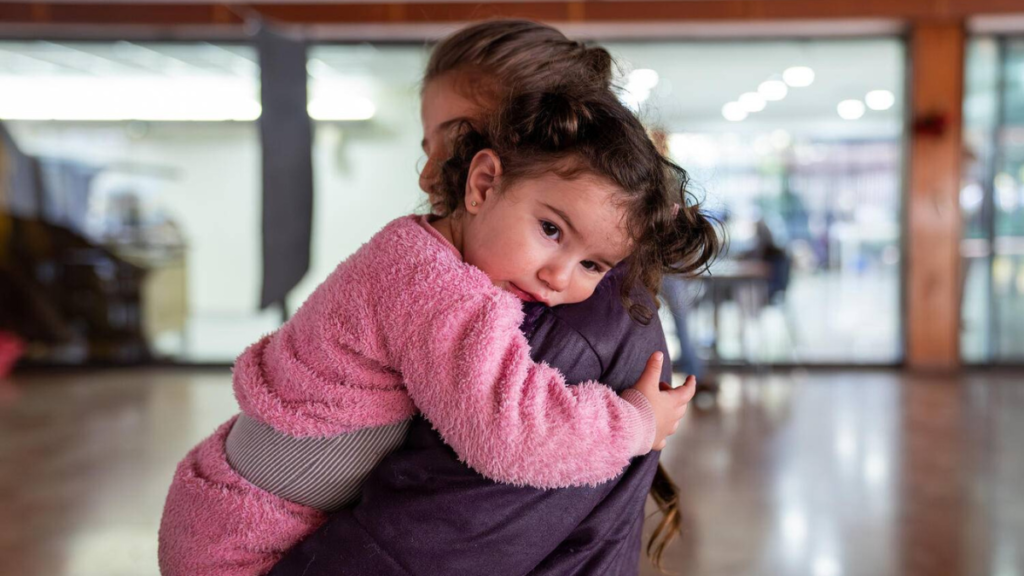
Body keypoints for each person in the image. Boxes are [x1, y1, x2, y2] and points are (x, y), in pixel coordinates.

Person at [158, 80, 717, 575]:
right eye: (550, 229)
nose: (556, 276)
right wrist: (636, 423)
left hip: (230, 508)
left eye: (592, 265)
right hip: (243, 541)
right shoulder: (439, 290)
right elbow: (512, 433)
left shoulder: (419, 254)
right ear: (482, 184)